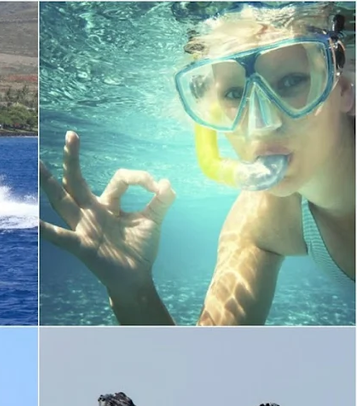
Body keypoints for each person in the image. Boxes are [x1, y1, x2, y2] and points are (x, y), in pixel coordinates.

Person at [40, 5, 354, 325]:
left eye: (290, 82)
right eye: (234, 93)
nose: (260, 124)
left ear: (343, 88)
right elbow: (204, 369)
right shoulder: (261, 221)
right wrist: (132, 291)